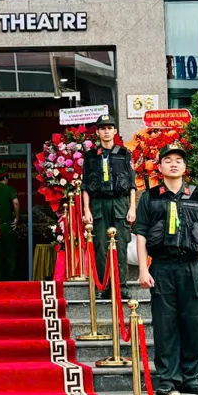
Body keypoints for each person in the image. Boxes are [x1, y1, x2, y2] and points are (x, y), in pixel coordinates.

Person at [133, 143, 198, 395]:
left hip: (193, 268)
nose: (173, 163)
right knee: (164, 324)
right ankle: (168, 377)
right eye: (167, 160)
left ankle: (191, 378)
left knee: (194, 324)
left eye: (178, 160)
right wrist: (143, 269)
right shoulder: (150, 197)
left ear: (185, 167)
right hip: (162, 268)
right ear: (159, 167)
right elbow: (140, 234)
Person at [81, 114, 137, 286]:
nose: (106, 131)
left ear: (115, 131)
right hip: (98, 204)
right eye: (103, 128)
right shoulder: (91, 156)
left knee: (121, 245)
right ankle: (102, 286)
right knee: (100, 246)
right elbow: (85, 186)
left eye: (109, 128)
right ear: (97, 132)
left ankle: (121, 285)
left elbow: (132, 184)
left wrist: (132, 207)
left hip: (119, 203)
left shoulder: (123, 153)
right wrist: (86, 210)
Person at [0, 165, 20, 280]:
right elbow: (16, 203)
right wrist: (17, 218)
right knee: (10, 256)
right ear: (5, 178)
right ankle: (11, 279)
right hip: (7, 226)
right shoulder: (9, 189)